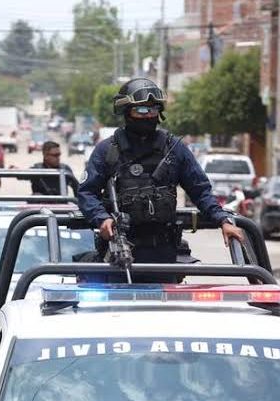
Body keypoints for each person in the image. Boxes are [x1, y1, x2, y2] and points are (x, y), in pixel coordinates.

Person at [78, 78, 244, 271]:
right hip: (118, 252)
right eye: (141, 110)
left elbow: (200, 190)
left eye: (153, 110)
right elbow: (86, 193)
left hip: (164, 254)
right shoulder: (107, 150)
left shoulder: (174, 149)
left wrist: (222, 220)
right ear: (126, 112)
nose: (148, 115)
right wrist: (102, 219)